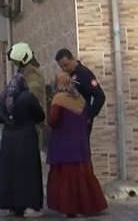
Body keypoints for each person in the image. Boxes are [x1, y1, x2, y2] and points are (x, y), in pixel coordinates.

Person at [46, 72, 107, 217]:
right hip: (79, 144)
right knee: (83, 176)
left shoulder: (59, 98)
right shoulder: (79, 98)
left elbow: (52, 120)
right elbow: (86, 116)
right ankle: (90, 206)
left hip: (63, 145)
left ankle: (70, 208)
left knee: (66, 179)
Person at [0, 56, 45, 217]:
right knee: (28, 173)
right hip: (26, 137)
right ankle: (29, 207)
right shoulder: (27, 97)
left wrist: (9, 122)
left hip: (8, 138)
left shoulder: (5, 97)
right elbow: (40, 116)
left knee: (10, 172)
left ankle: (12, 205)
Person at [54, 49, 106, 143]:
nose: (64, 68)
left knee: (81, 148)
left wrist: (89, 115)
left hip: (81, 120)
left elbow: (100, 96)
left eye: (66, 65)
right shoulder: (66, 75)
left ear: (73, 59)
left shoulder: (84, 74)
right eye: (61, 67)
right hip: (69, 121)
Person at [10, 42, 48, 152]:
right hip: (26, 124)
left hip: (32, 124)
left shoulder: (32, 75)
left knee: (31, 155)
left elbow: (32, 99)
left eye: (16, 61)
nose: (15, 64)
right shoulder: (24, 74)